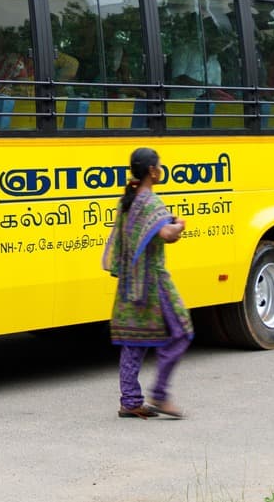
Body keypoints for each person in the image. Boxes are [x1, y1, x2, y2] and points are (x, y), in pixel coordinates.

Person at [103, 147, 191, 419]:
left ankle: (130, 401)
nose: (161, 169)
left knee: (134, 341)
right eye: (159, 166)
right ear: (152, 171)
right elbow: (167, 234)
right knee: (181, 332)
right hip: (153, 282)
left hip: (129, 284)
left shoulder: (126, 202)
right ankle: (160, 394)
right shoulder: (152, 202)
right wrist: (181, 224)